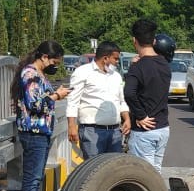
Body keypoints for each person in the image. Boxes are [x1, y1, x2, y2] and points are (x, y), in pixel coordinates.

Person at [10, 40, 69, 191]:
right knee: (32, 179)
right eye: (55, 62)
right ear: (44, 57)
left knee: (36, 178)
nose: (55, 66)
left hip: (41, 132)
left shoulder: (38, 74)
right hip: (33, 132)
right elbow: (35, 104)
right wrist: (57, 96)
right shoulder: (30, 74)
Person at [66, 40, 130, 160]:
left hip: (115, 131)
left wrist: (126, 118)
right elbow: (73, 101)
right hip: (92, 131)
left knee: (113, 169)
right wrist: (71, 126)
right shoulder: (82, 72)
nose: (117, 62)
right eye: (115, 59)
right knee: (93, 172)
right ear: (105, 58)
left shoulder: (115, 76)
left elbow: (121, 100)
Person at [123, 20, 173, 172]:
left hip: (145, 130)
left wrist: (140, 115)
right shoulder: (165, 64)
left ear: (134, 41)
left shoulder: (137, 67)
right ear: (154, 41)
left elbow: (129, 93)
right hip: (163, 127)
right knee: (155, 170)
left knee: (142, 174)